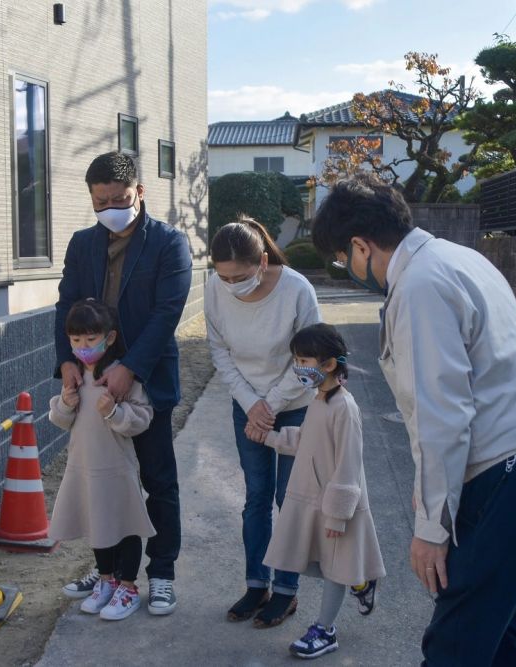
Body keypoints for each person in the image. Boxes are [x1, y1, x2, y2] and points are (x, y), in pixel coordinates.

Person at [311, 176, 516, 666]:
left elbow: (442, 416)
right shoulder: (459, 257)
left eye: (340, 258)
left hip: (510, 476)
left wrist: (431, 530)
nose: (345, 267)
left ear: (360, 245)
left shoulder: (419, 285)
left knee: (454, 646)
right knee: (502, 634)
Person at [54, 151, 192, 616]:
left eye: (120, 198)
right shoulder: (81, 244)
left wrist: (129, 366)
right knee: (101, 480)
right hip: (92, 379)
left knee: (157, 480)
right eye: (100, 200)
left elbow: (166, 313)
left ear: (139, 192)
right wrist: (65, 362)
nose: (111, 206)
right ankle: (109, 569)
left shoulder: (169, 243)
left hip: (145, 381)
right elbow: (66, 305)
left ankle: (163, 574)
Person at [205, 217, 321, 627]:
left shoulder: (296, 290)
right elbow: (219, 351)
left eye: (239, 276)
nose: (231, 285)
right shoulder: (213, 287)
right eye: (224, 277)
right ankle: (257, 583)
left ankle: (287, 591)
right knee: (256, 497)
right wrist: (251, 404)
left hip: (296, 405)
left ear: (263, 261)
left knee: (290, 499)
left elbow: (313, 364)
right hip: (248, 404)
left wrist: (267, 406)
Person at [262, 323, 386, 659]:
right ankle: (359, 581)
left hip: (334, 508)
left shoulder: (345, 408)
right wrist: (270, 438)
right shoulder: (318, 399)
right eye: (296, 359)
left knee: (333, 569)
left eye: (304, 360)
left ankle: (325, 630)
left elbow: (349, 463)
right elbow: (306, 441)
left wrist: (338, 514)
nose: (298, 367)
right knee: (301, 558)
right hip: (309, 499)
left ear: (328, 364)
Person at [48, 299, 155, 620]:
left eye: (90, 339)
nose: (83, 347)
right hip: (83, 467)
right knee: (97, 525)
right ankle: (105, 580)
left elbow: (142, 418)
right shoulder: (76, 376)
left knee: (125, 524)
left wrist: (113, 411)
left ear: (109, 338)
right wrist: (66, 403)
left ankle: (128, 586)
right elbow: (60, 419)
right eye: (76, 340)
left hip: (117, 468)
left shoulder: (120, 376)